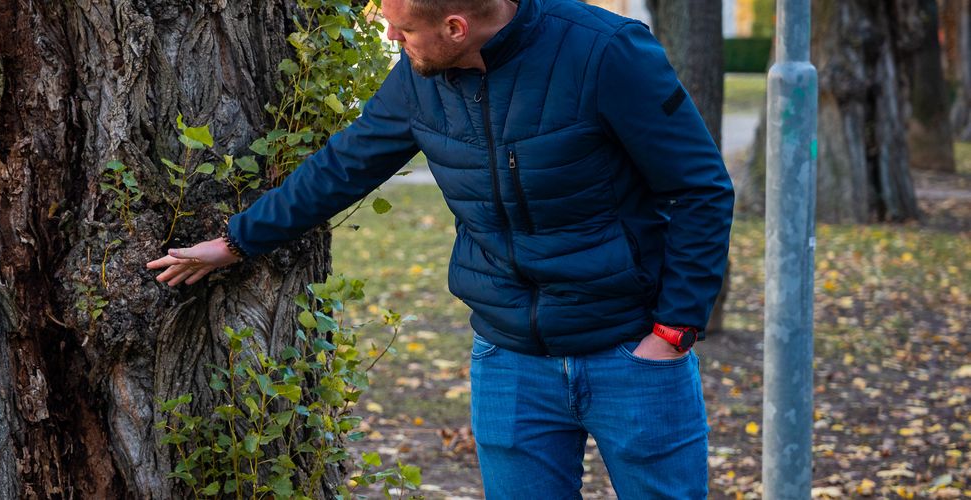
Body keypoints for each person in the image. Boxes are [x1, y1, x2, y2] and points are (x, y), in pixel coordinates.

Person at [147, 0, 733, 496]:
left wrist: (673, 331)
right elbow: (342, 167)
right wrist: (236, 240)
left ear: (456, 27)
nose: (390, 37)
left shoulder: (605, 52)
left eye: (402, 27)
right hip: (509, 359)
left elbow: (699, 188)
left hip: (630, 351)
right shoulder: (418, 78)